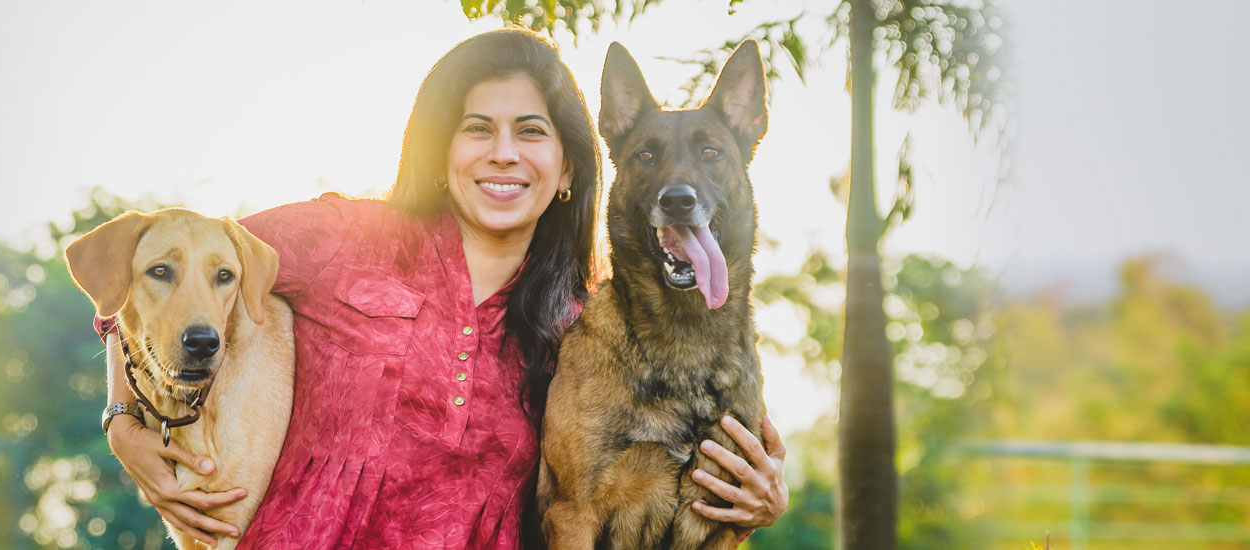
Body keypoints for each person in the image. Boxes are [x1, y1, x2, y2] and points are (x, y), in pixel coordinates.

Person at [100, 28, 788, 549]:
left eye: (531, 132)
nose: (504, 153)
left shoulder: (588, 335)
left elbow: (670, 468)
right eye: (477, 128)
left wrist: (760, 497)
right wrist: (124, 420)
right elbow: (149, 269)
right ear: (442, 153)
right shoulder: (340, 236)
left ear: (569, 167)